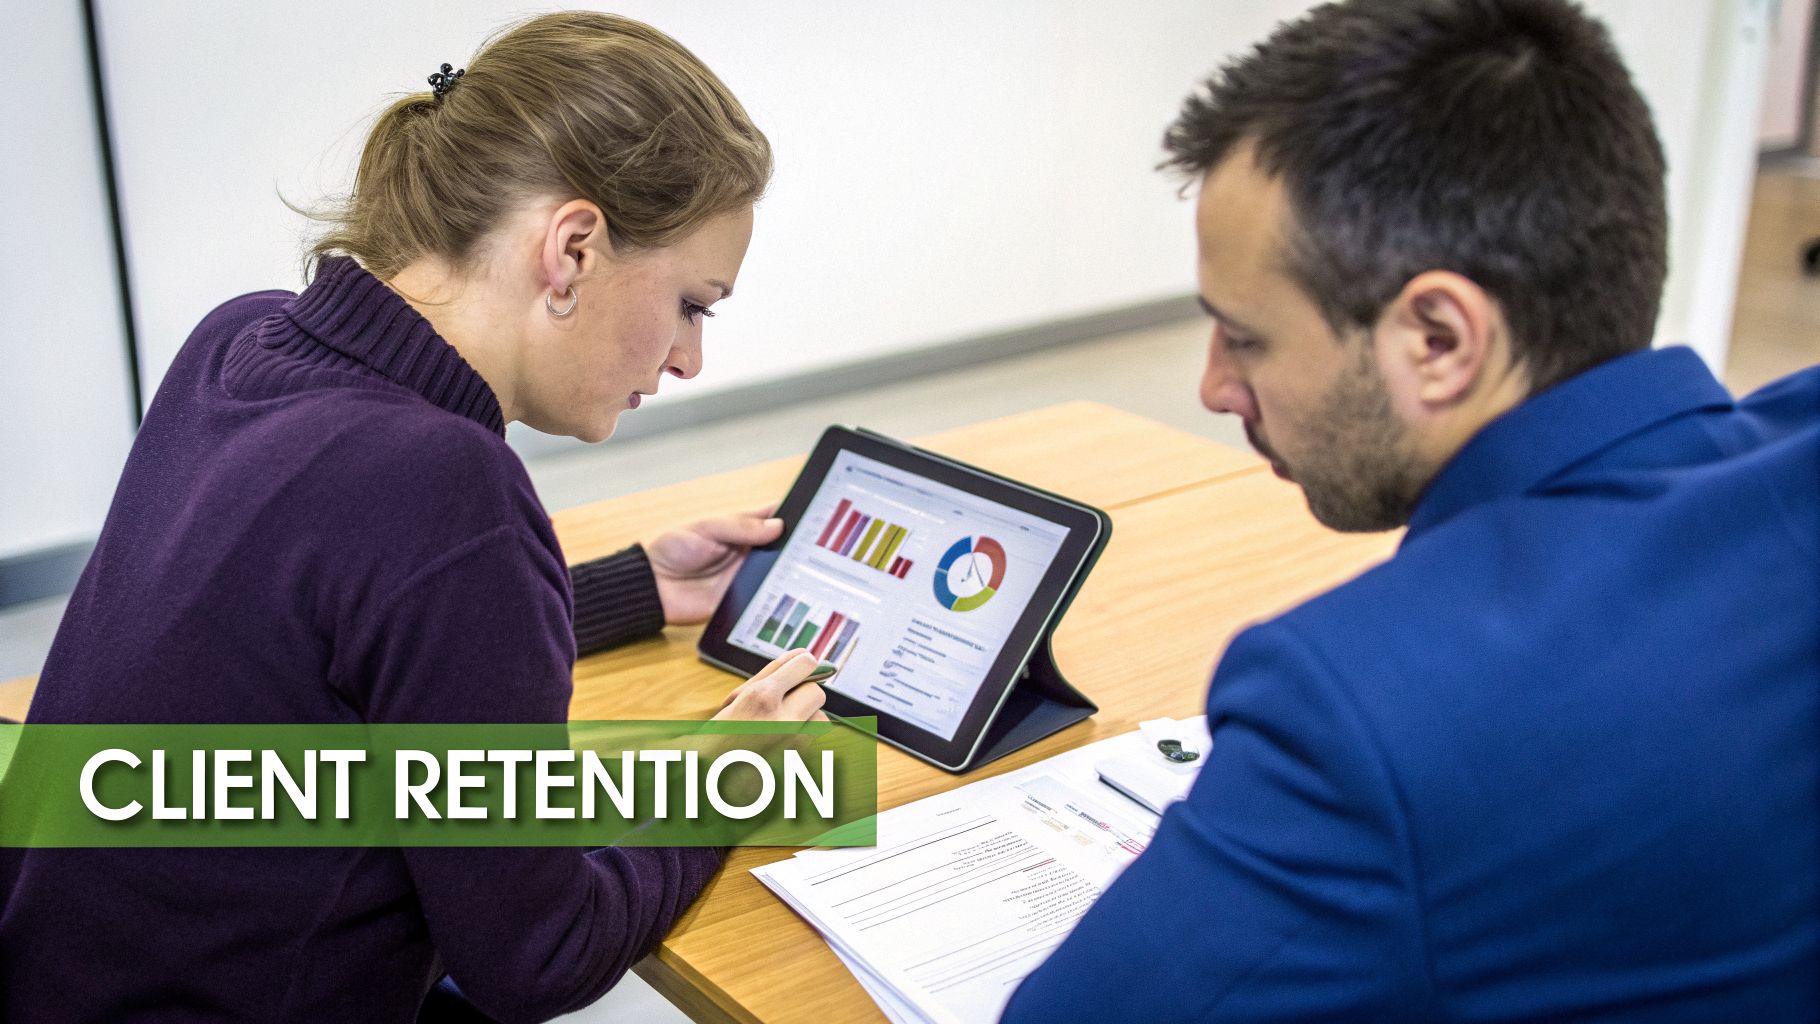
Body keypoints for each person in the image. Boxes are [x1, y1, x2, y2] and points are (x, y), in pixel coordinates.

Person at [0, 12, 828, 1022]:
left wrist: (627, 588)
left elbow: (341, 644)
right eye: (694, 305)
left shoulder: (242, 340)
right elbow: (540, 954)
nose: (690, 357)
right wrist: (725, 783)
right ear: (570, 248)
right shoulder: (446, 484)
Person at [1006, 0, 1819, 1019]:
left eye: (1243, 337)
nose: (1214, 388)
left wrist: (762, 774)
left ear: (1437, 339)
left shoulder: (1363, 704)